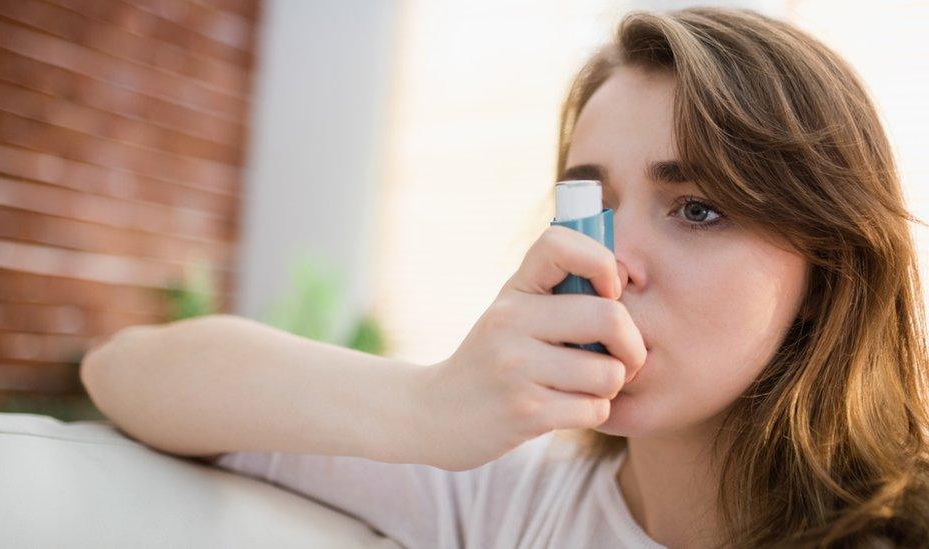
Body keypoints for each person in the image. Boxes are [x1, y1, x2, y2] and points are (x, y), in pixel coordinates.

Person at [80, 6, 929, 548]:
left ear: (828, 267)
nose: (601, 261)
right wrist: (423, 406)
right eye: (587, 203)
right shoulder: (506, 501)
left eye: (698, 208)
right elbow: (124, 371)